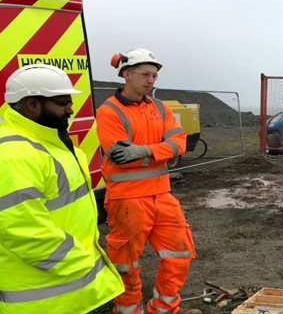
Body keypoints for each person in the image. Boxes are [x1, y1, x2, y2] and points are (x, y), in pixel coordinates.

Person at [0, 64, 124, 314]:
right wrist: (82, 262)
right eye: (61, 102)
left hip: (64, 290)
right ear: (31, 105)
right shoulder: (12, 154)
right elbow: (23, 231)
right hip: (41, 299)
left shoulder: (50, 141)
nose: (70, 108)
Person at [96, 48, 196, 314]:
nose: (151, 80)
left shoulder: (160, 107)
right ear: (126, 75)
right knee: (126, 263)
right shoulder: (108, 111)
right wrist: (162, 151)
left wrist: (146, 151)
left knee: (180, 253)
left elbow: (180, 142)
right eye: (145, 74)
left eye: (154, 75)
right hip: (127, 198)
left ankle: (163, 308)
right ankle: (128, 309)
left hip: (162, 194)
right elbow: (120, 156)